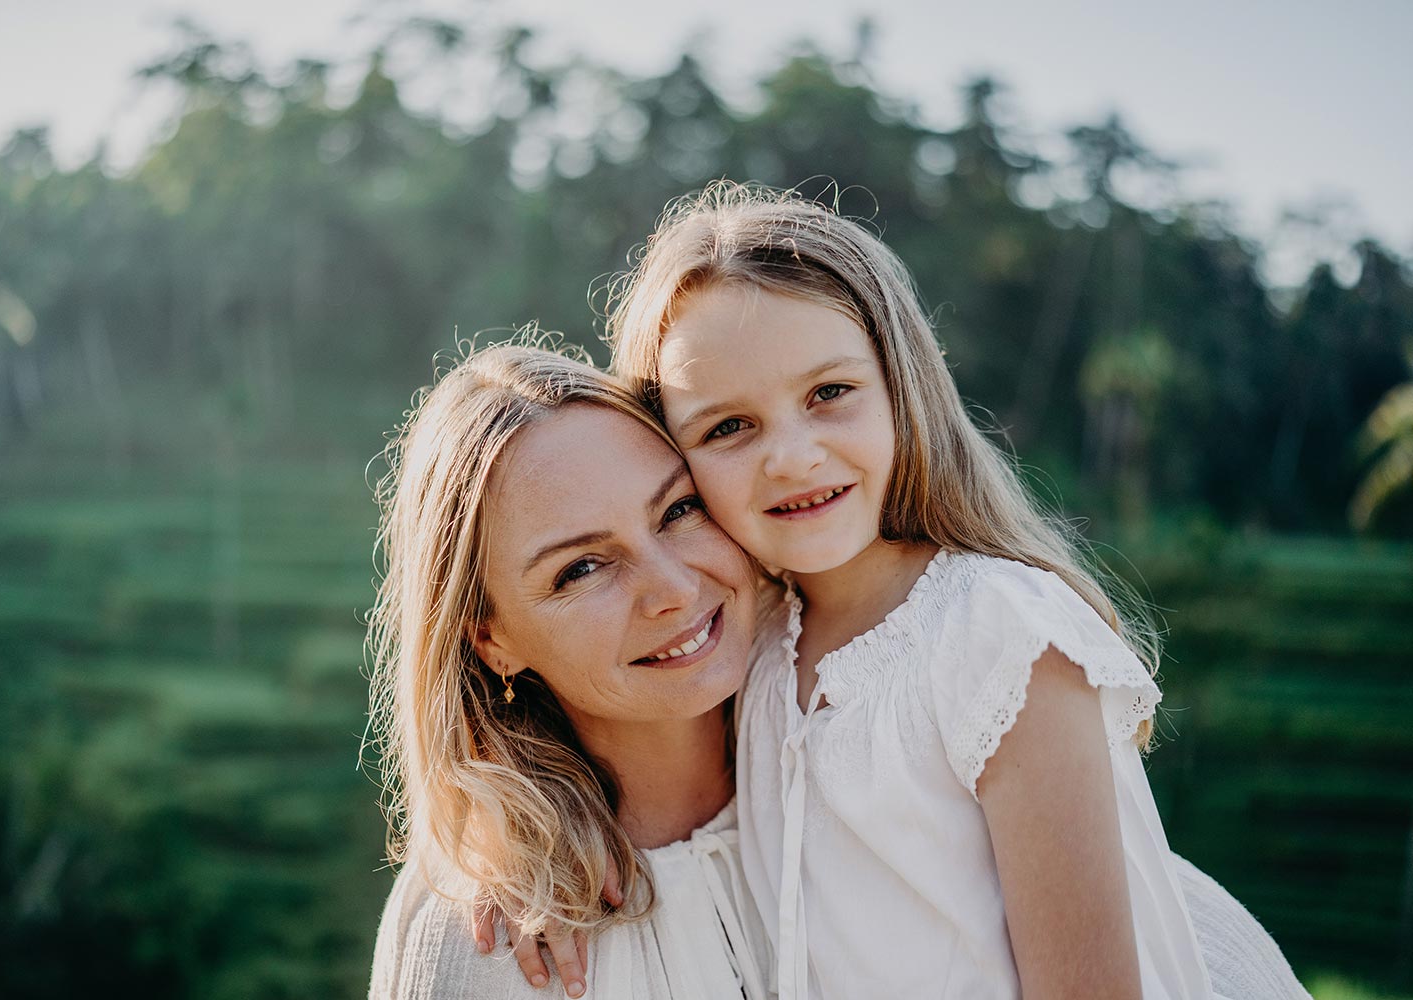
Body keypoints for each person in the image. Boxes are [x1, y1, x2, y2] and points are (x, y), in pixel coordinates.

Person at [603, 181, 1309, 1000]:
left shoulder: (1001, 637)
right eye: (728, 427)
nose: (792, 457)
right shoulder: (742, 650)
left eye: (829, 394)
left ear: (903, 388)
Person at [364, 338, 774, 1000]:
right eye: (581, 568)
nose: (671, 587)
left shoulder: (858, 742)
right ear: (492, 641)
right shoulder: (486, 939)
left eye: (677, 510)